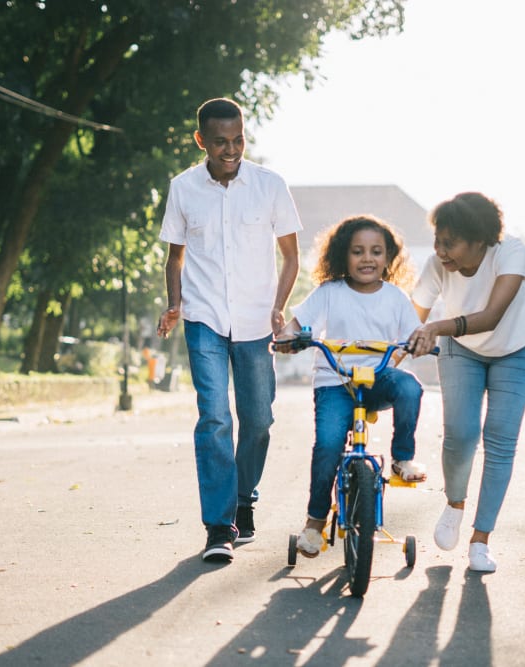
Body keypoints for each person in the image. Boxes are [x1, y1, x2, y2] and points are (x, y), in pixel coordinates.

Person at [156, 97, 302, 563]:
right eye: (220, 142)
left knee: (258, 420)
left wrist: (279, 307)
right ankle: (219, 526)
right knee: (215, 417)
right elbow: (175, 256)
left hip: (257, 321)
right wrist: (175, 304)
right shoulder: (183, 188)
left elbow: (291, 256)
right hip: (204, 319)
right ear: (201, 141)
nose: (231, 149)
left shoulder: (270, 185)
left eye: (238, 140)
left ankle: (244, 499)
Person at [275, 215, 426, 558]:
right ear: (344, 255)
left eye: (376, 251)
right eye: (358, 251)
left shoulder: (396, 298)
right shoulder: (330, 292)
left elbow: (413, 334)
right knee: (328, 444)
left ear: (388, 258)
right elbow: (297, 325)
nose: (367, 258)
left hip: (376, 379)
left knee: (410, 388)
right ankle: (314, 522)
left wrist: (419, 342)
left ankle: (402, 458)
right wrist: (287, 338)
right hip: (335, 382)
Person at [407, 192, 525, 573]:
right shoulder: (437, 265)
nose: (440, 251)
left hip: (516, 348)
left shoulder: (510, 253)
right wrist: (390, 353)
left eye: (450, 243)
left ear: (480, 240)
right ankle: (454, 504)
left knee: (500, 438)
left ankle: (481, 540)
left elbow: (492, 316)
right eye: (437, 240)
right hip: (461, 350)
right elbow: (410, 318)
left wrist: (435, 327)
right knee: (461, 434)